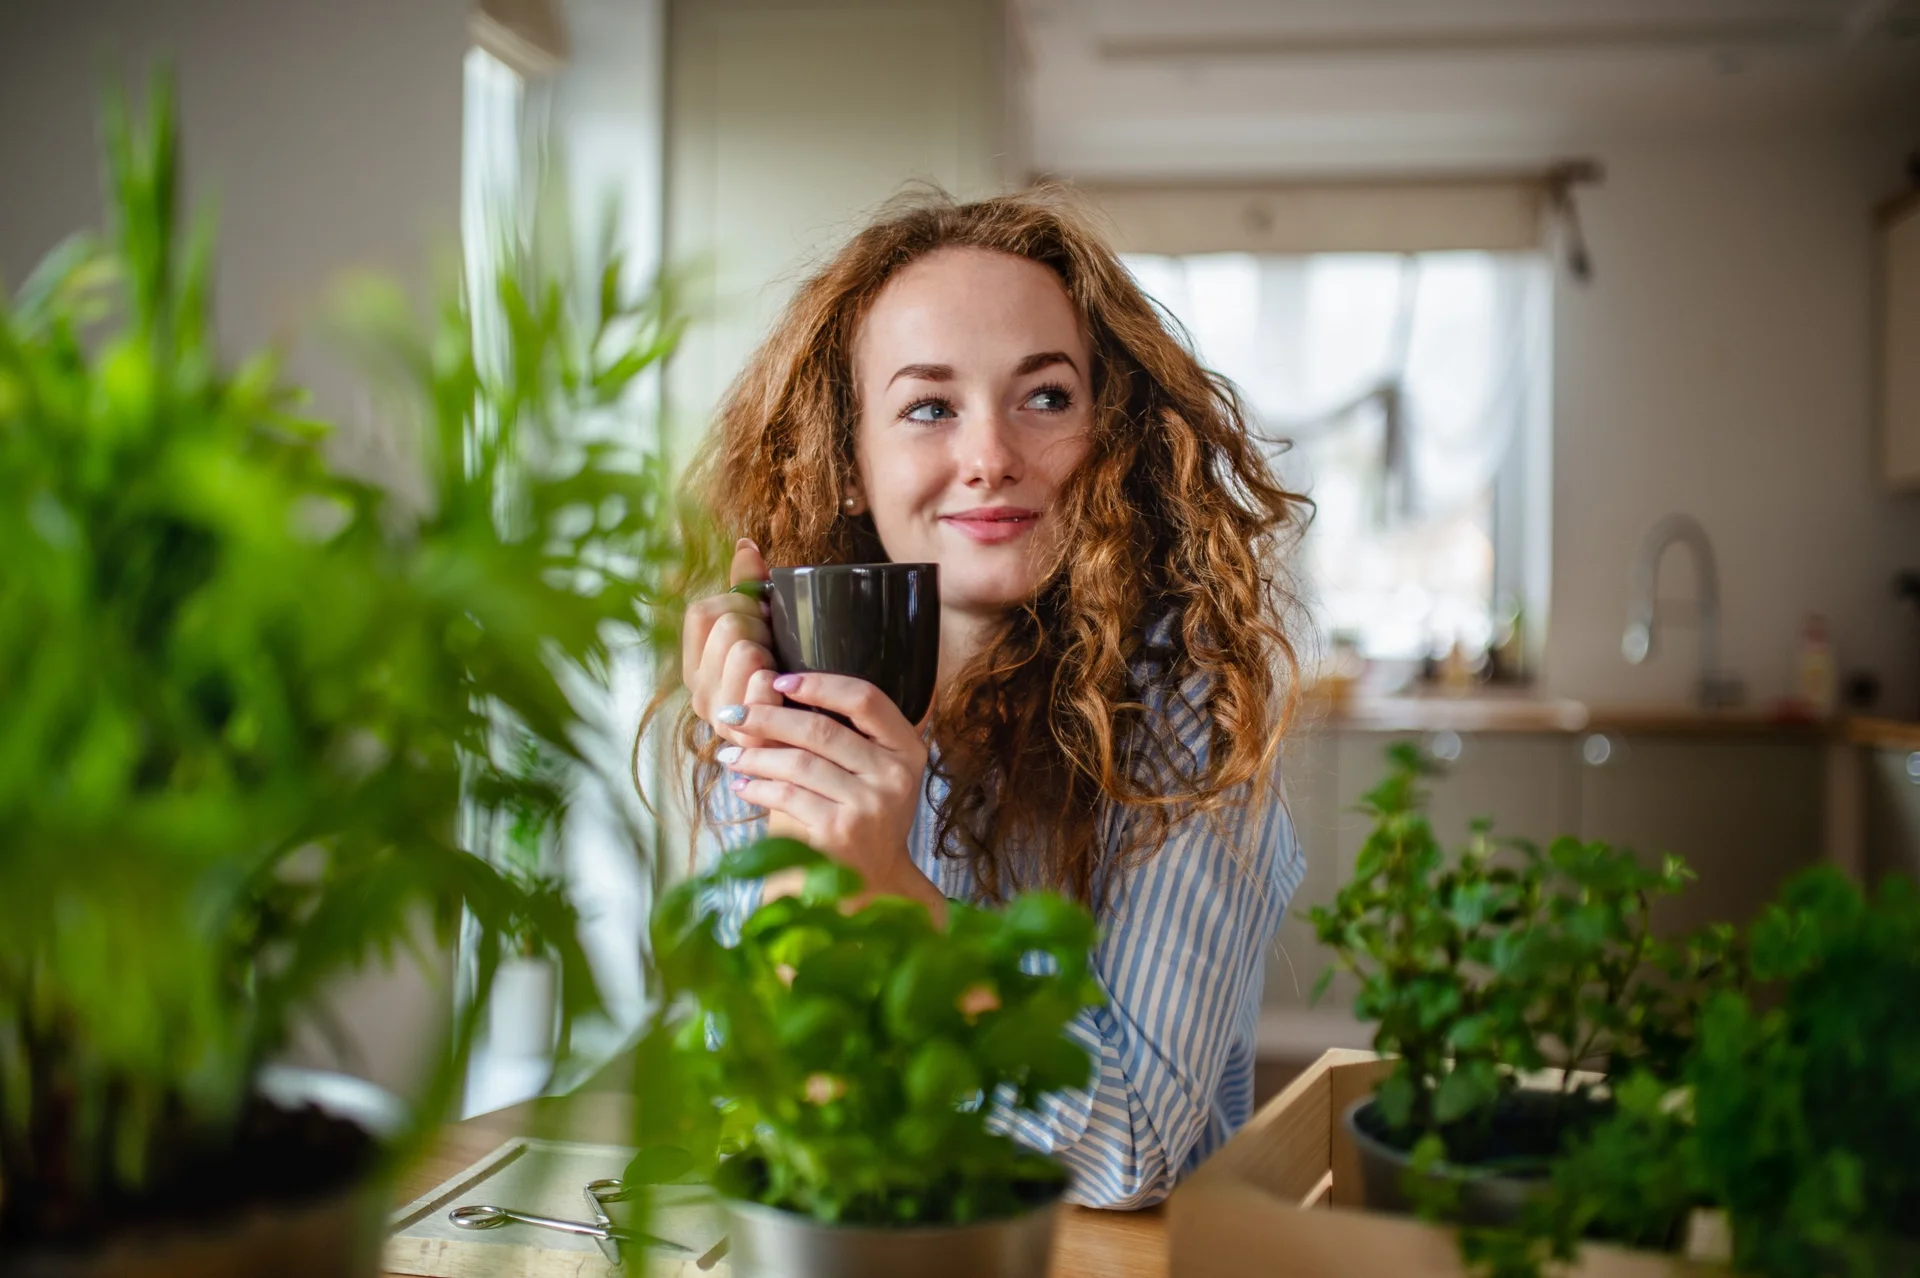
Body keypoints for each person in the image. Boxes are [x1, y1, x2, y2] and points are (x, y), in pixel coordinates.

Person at [657, 186, 1308, 1209]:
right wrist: (775, 789)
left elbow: (1132, 1149)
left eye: (1045, 397)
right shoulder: (782, 685)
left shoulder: (1188, 709)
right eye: (929, 407)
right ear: (853, 464)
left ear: (1111, 431)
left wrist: (884, 891)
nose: (991, 457)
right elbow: (742, 1106)